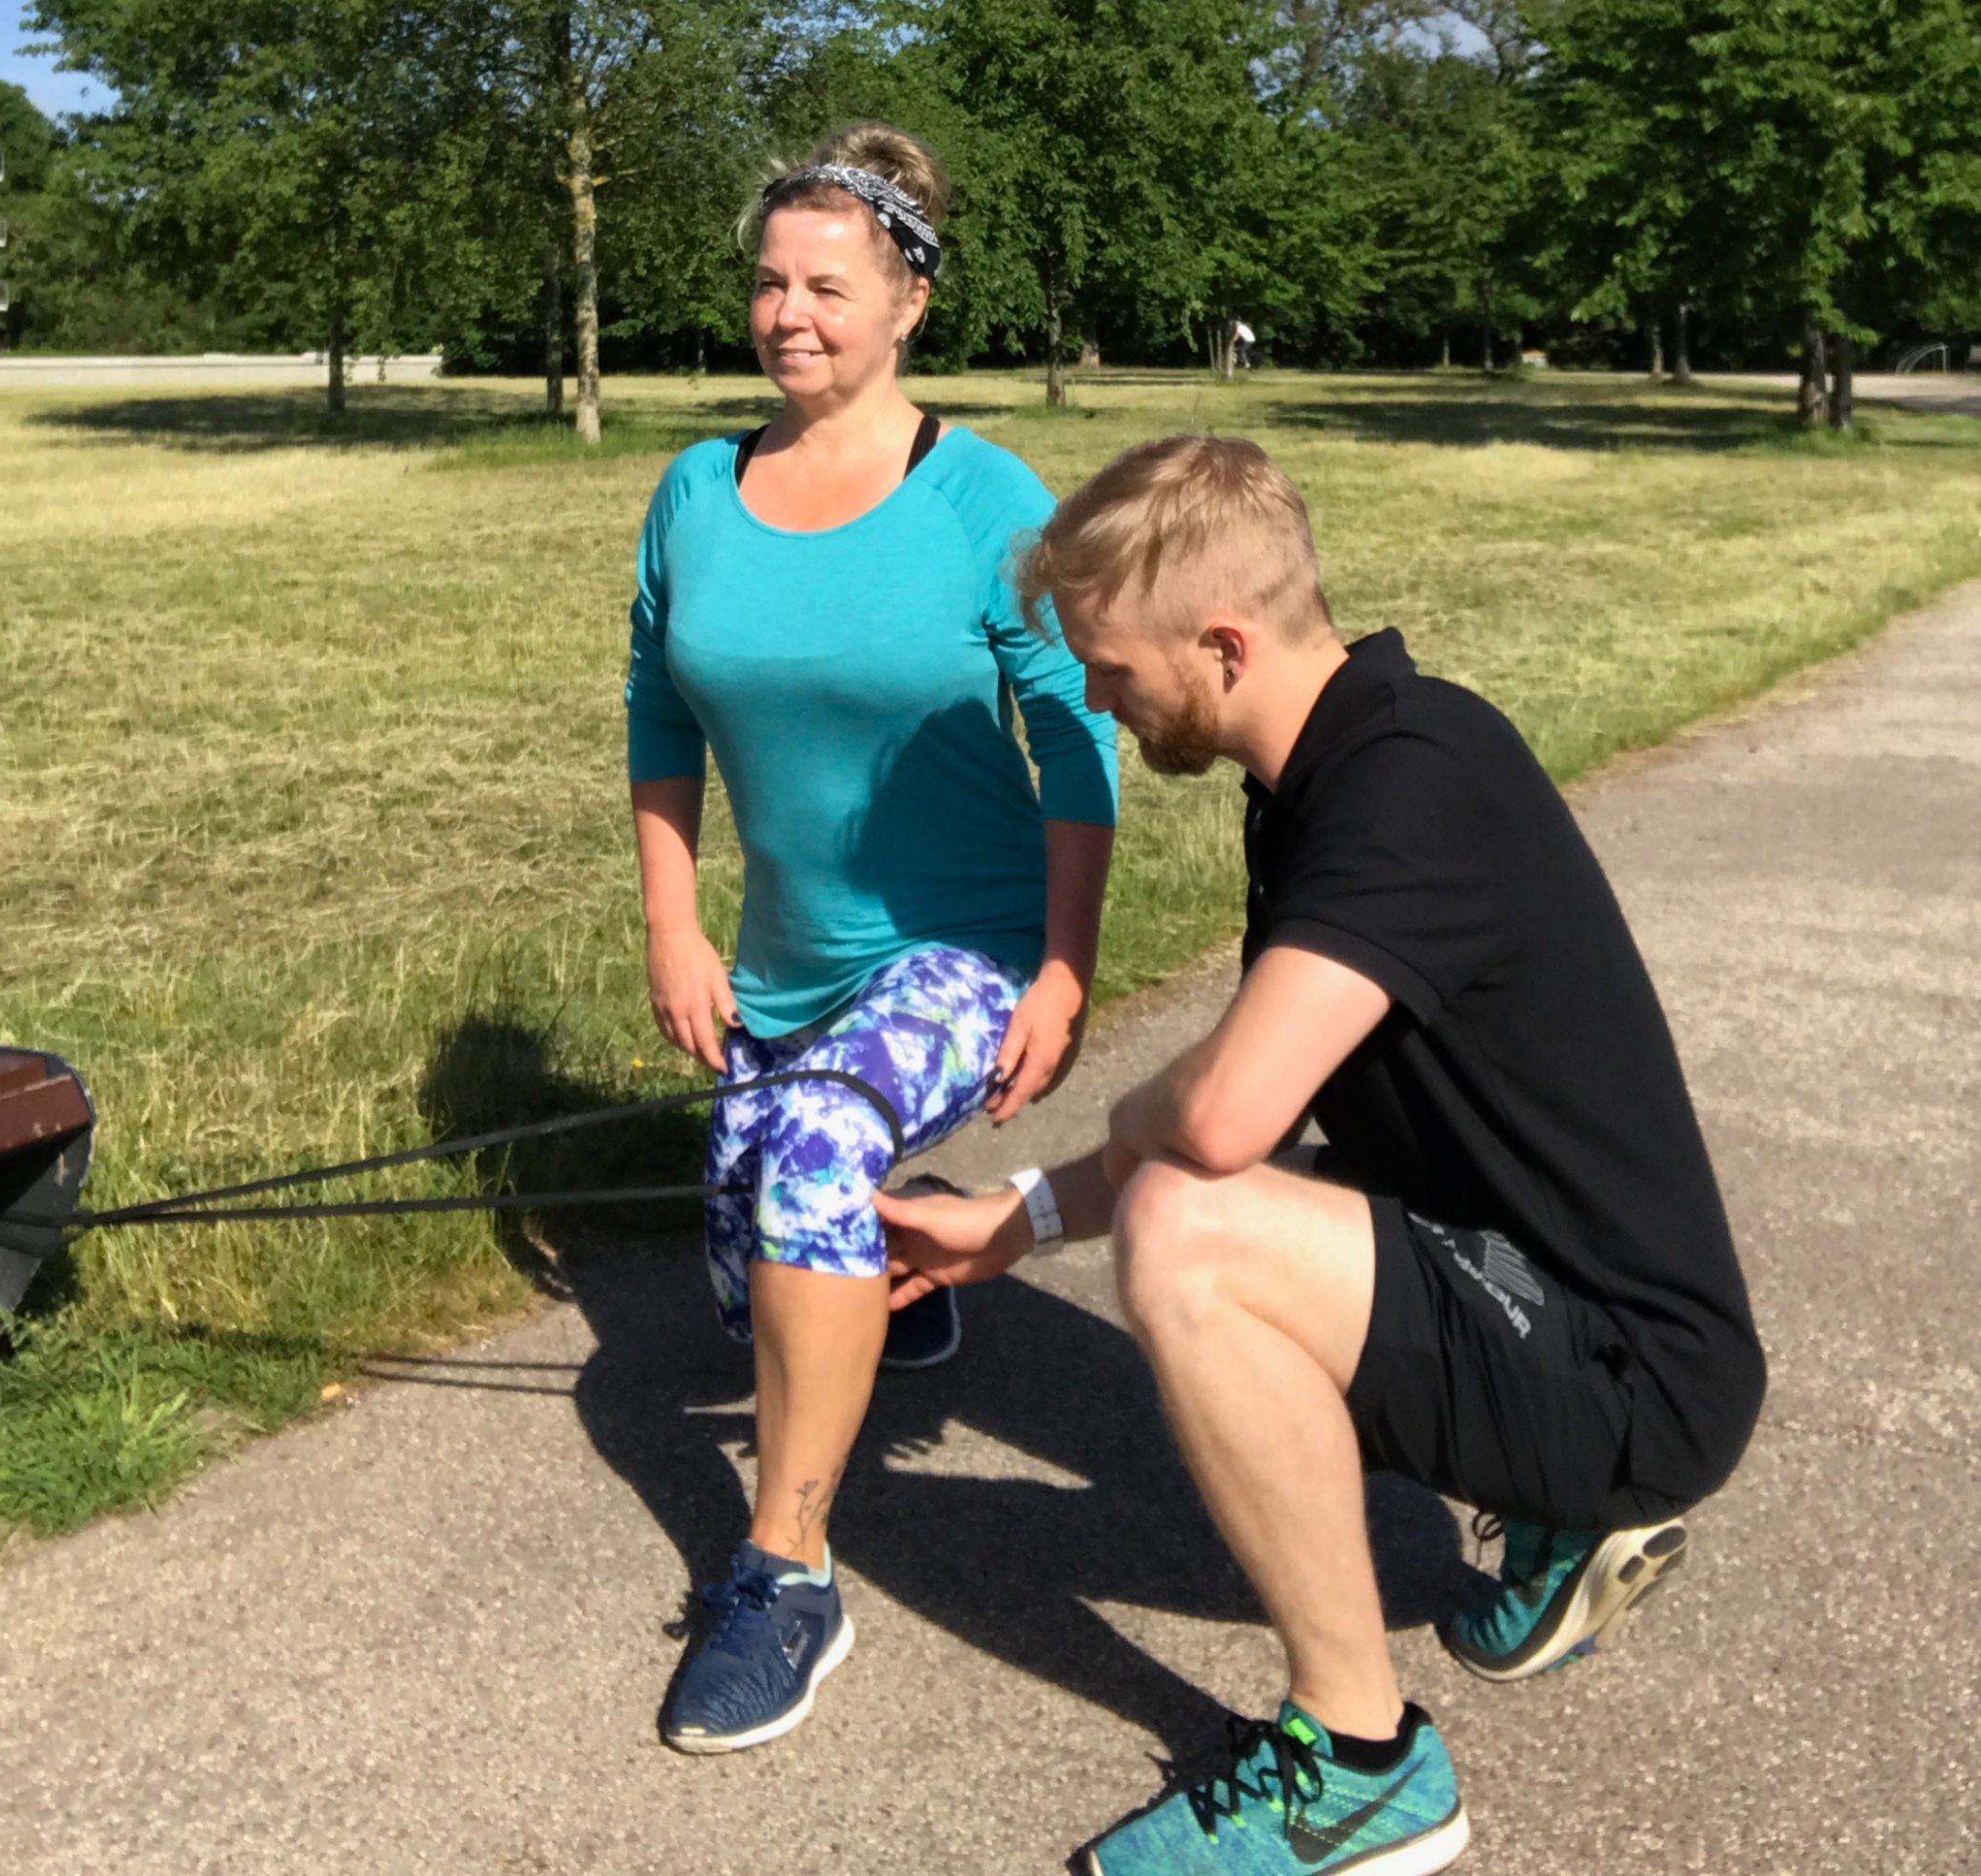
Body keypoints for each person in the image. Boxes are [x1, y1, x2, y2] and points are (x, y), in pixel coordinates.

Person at [874, 436, 1764, 1873]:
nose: (1097, 700)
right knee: (1195, 1189)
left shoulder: (1408, 788)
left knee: (1184, 1229)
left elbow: (1220, 1127)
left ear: (1222, 642)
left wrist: (1122, 1133)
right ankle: (1559, 1517)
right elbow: (1266, 1109)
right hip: (1542, 1289)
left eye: (1111, 668)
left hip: (1632, 1376)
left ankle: (1361, 1765)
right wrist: (1013, 1222)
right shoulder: (1340, 764)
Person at [624, 122, 1119, 1754]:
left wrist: (1061, 966)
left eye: (827, 286)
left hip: (956, 948)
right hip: (775, 965)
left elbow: (1076, 739)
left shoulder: (985, 498)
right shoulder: (697, 489)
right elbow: (655, 711)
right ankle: (913, 1264)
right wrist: (675, 926)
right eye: (769, 283)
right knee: (750, 1265)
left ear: (908, 301)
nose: (789, 316)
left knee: (818, 1157)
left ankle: (783, 1576)